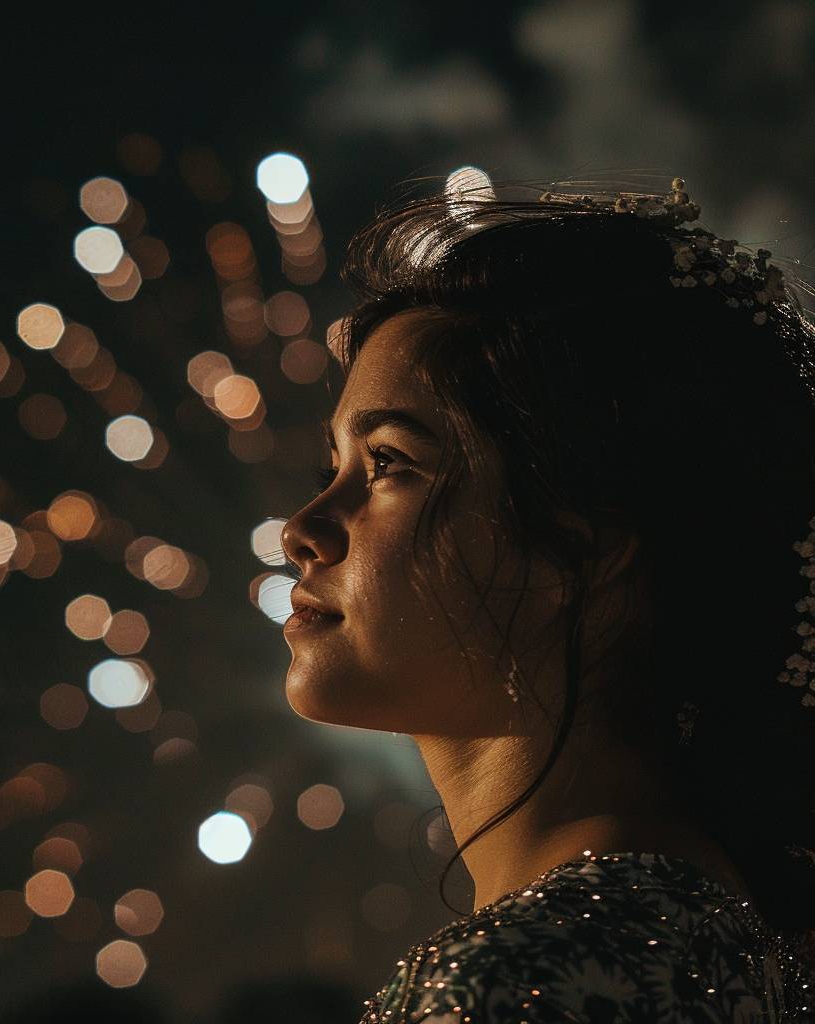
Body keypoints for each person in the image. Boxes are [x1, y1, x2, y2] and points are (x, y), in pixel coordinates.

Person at [279, 174, 815, 1022]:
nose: (304, 527)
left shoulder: (526, 980)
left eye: (391, 465)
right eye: (332, 469)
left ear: (592, 549)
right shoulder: (715, 935)